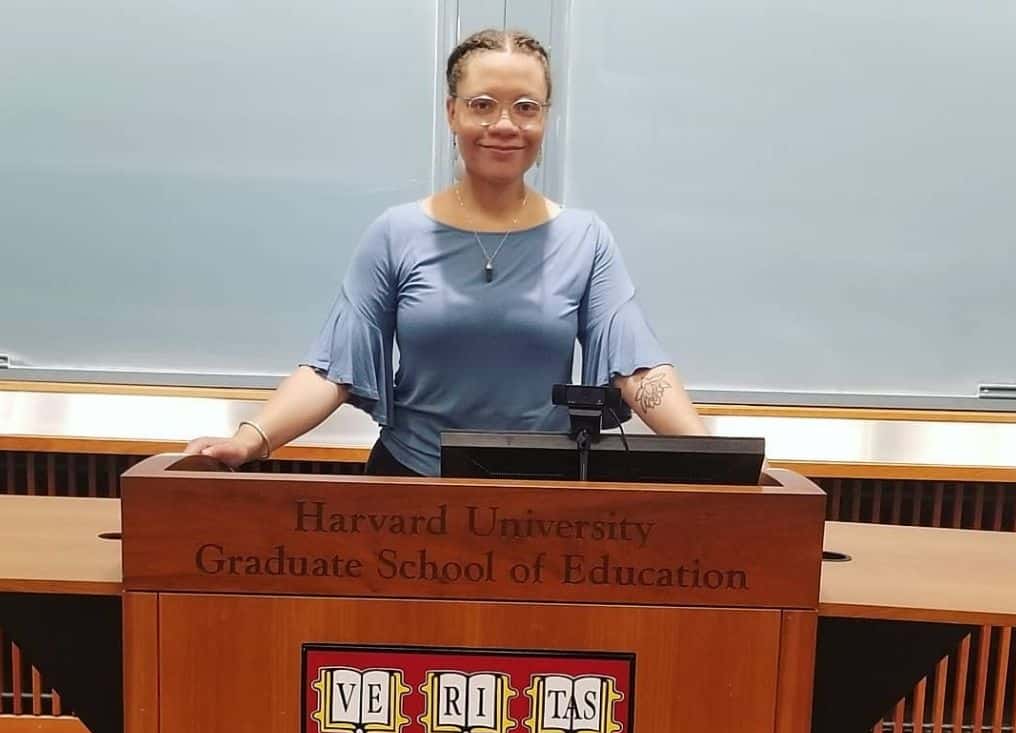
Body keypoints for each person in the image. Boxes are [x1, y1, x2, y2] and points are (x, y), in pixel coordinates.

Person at [185, 28, 707, 475]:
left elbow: (638, 371)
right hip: (409, 485)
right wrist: (250, 439)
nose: (505, 124)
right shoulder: (396, 233)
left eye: (526, 107)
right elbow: (333, 369)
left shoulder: (585, 239)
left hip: (543, 497)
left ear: (545, 118)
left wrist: (717, 458)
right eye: (483, 105)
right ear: (452, 113)